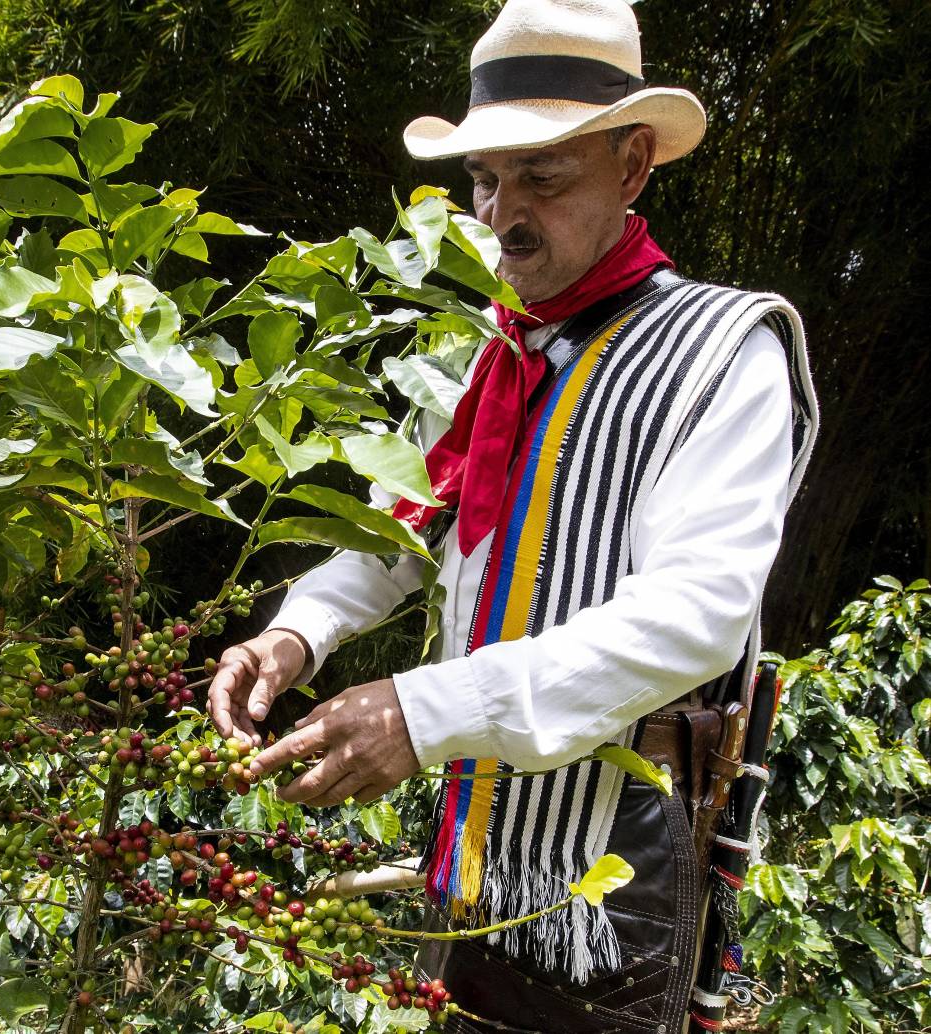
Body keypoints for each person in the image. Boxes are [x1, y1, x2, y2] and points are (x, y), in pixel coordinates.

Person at [208, 1, 819, 1030]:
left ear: (631, 167)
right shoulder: (483, 350)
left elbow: (695, 612)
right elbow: (401, 522)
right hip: (473, 833)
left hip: (613, 864)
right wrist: (295, 629)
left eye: (542, 176)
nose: (500, 214)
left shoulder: (722, 350)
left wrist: (420, 709)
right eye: (485, 179)